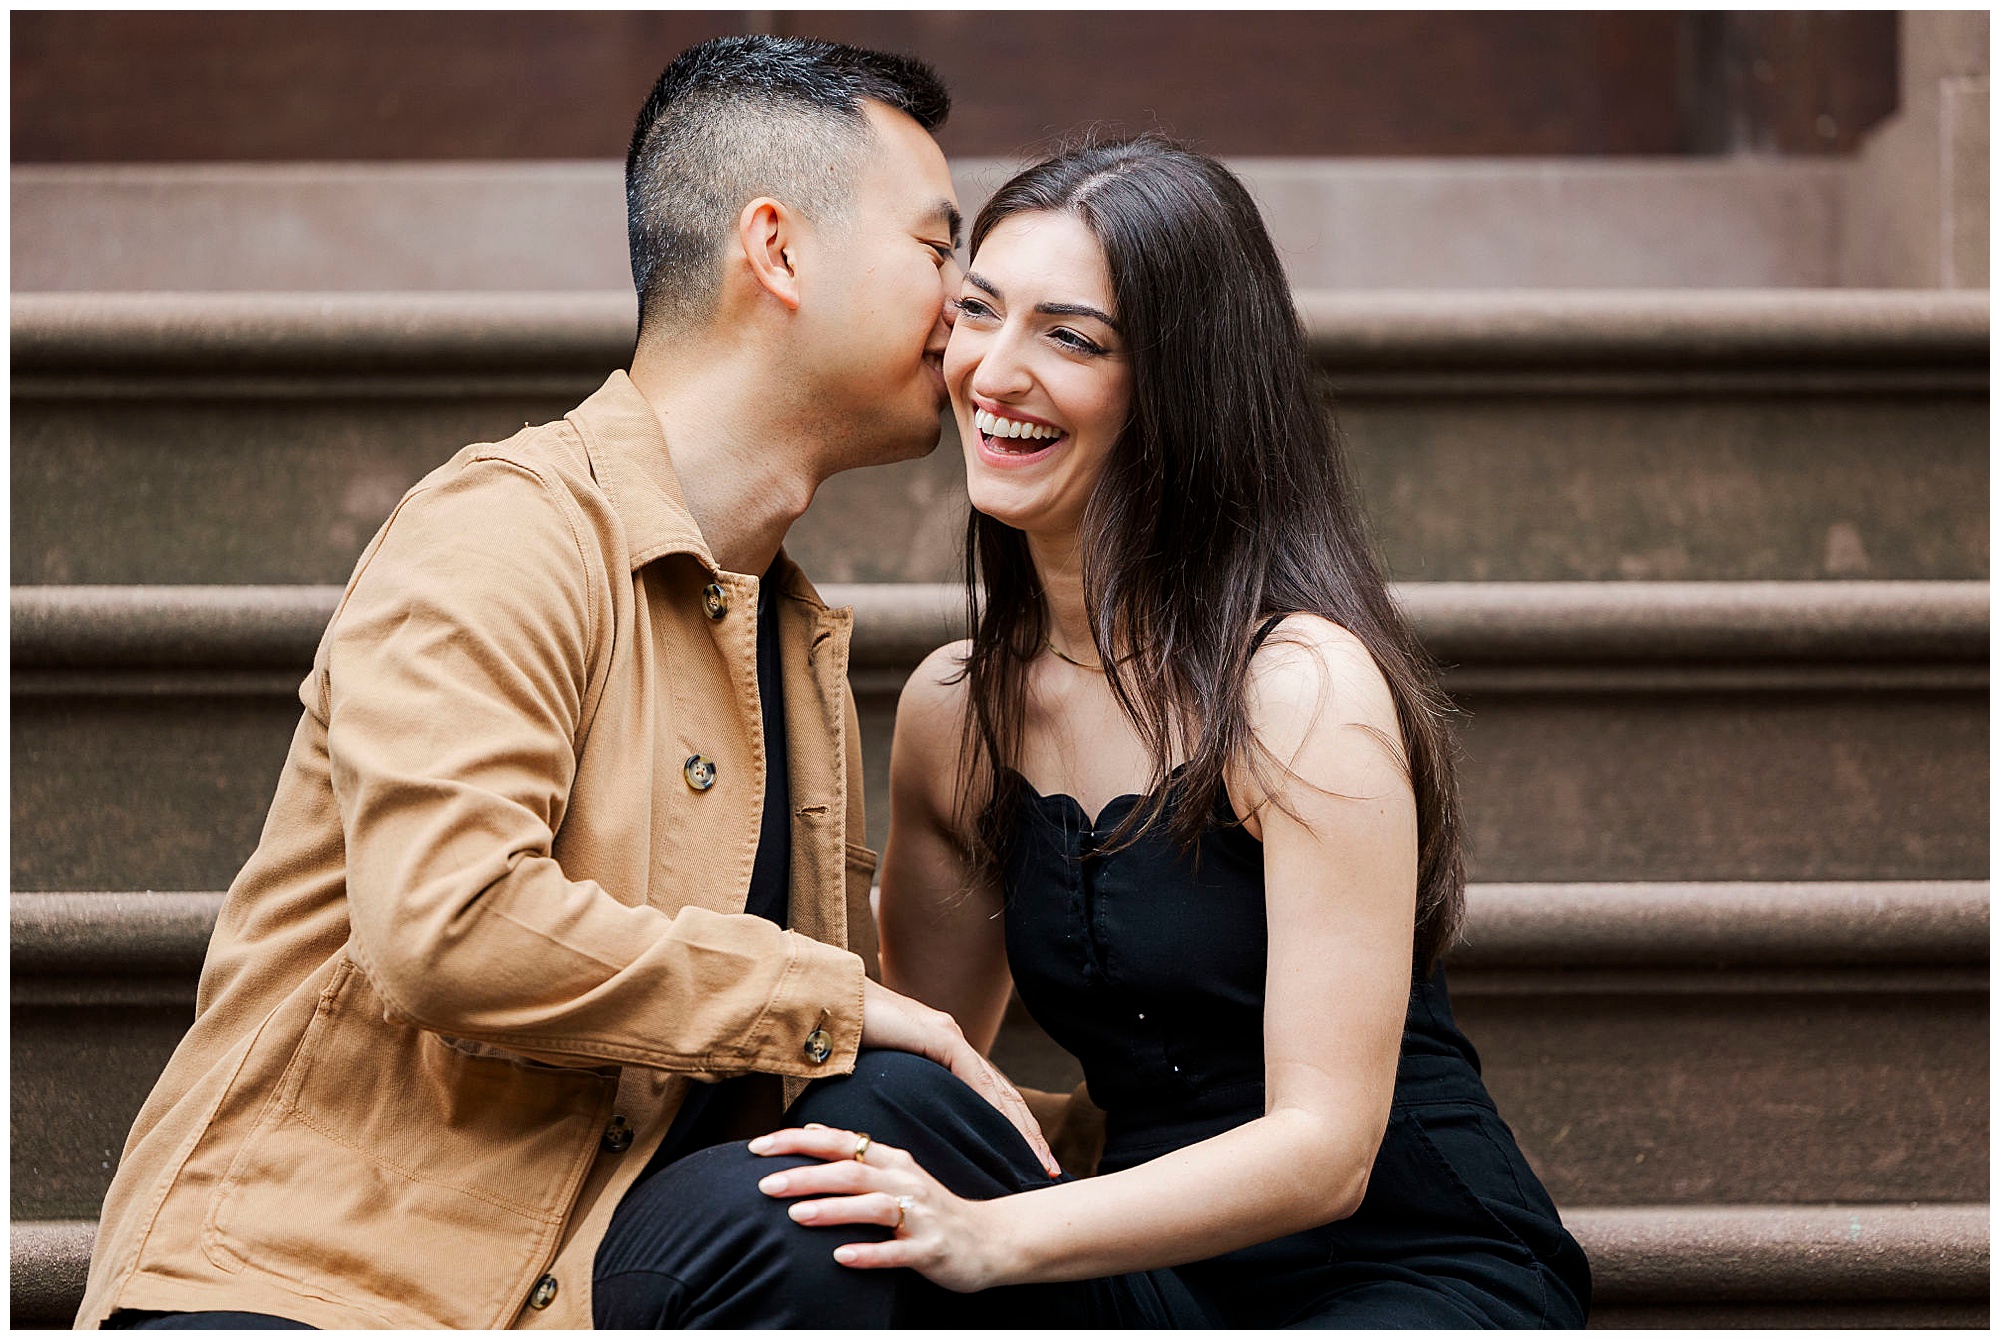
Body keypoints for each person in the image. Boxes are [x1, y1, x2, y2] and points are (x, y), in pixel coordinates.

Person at [75, 36, 1062, 1331]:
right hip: (313, 1293)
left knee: (877, 1152)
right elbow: (449, 922)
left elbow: (802, 1091)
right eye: (941, 252)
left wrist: (1223, 1153)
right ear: (778, 249)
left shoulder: (785, 633)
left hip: (589, 1279)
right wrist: (826, 1000)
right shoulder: (507, 527)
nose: (965, 313)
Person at [738, 137, 1595, 1326]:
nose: (994, 370)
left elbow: (1324, 1148)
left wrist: (994, 1229)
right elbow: (938, 1072)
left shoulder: (1296, 691)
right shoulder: (957, 712)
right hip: (1147, 1272)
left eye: (1071, 337)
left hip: (1401, 1267)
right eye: (977, 309)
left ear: (1180, 384)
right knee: (872, 1126)